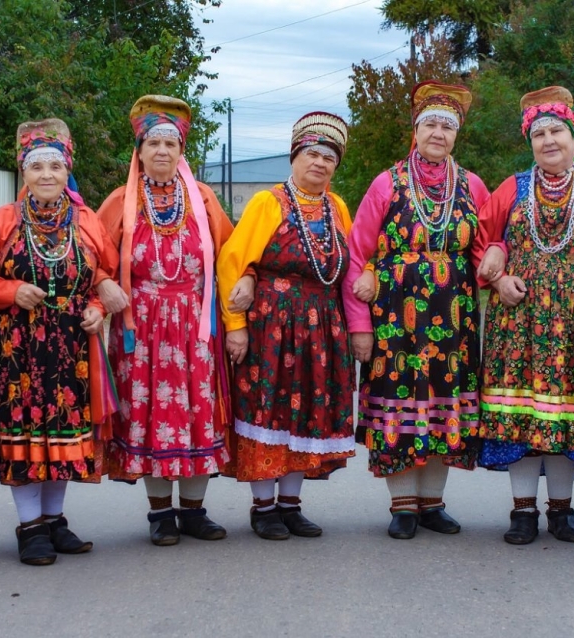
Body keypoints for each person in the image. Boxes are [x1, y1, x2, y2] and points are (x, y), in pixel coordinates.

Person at [475, 86, 574, 545]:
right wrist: (498, 278)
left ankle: (561, 512)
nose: (547, 141)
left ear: (572, 134)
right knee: (521, 417)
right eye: (538, 134)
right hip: (518, 325)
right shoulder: (512, 188)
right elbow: (481, 239)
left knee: (564, 419)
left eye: (555, 130)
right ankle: (522, 512)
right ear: (530, 142)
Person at [343, 81, 490, 540]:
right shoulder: (387, 183)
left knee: (444, 408)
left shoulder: (473, 185)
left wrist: (499, 256)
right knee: (400, 407)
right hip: (394, 321)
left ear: (457, 136)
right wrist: (360, 326)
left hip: (454, 322)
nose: (439, 134)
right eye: (431, 124)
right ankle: (403, 505)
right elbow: (356, 255)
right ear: (416, 128)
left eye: (448, 127)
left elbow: (487, 247)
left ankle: (432, 504)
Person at [98, 95, 243, 546]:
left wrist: (244, 296)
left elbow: (233, 254)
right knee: (149, 414)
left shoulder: (202, 198)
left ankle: (194, 513)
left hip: (195, 326)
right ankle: (160, 515)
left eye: (171, 144)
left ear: (182, 152)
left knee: (198, 412)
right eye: (153, 143)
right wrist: (104, 283)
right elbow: (93, 255)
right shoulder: (123, 201)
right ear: (138, 151)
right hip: (141, 328)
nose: (162, 151)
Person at [0, 118, 121, 565]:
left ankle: (55, 521)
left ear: (66, 172)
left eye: (54, 167)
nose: (46, 175)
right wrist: (10, 291)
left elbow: (105, 275)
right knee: (25, 434)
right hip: (19, 346)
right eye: (36, 167)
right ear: (23, 173)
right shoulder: (3, 221)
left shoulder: (86, 220)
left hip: (71, 346)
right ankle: (30, 528)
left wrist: (97, 307)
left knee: (63, 435)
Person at [217, 112, 355, 540]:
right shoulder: (267, 202)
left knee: (306, 412)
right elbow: (233, 263)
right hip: (272, 325)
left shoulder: (337, 207)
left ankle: (291, 505)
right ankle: (264, 508)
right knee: (269, 406)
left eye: (329, 157)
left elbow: (348, 270)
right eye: (312, 153)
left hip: (322, 326)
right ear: (295, 156)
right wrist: (235, 325)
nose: (320, 162)